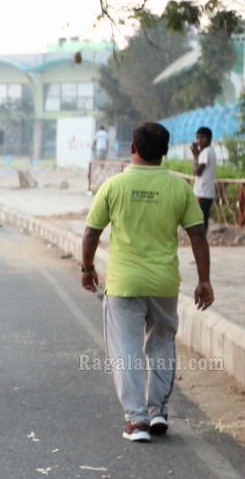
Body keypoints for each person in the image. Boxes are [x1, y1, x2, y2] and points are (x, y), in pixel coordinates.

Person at [81, 121, 214, 442]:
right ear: (166, 152)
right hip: (164, 284)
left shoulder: (113, 187)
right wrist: (204, 280)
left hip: (124, 285)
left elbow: (91, 233)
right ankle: (158, 413)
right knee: (162, 344)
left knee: (126, 350)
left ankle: (137, 421)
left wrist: (87, 268)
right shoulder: (180, 188)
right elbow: (198, 235)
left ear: (132, 149)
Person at [191, 126, 217, 233]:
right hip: (206, 191)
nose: (199, 141)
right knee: (202, 217)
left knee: (201, 218)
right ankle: (202, 238)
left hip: (203, 191)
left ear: (209, 138)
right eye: (197, 138)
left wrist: (196, 155)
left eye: (202, 138)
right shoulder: (209, 151)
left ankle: (201, 239)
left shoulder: (206, 152)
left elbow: (197, 172)